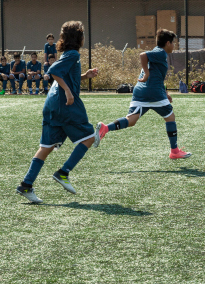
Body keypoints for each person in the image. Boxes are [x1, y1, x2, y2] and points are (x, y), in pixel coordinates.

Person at [15, 21, 100, 204]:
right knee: (90, 137)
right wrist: (69, 92)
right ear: (79, 37)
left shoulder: (69, 55)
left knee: (46, 148)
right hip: (65, 105)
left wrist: (85, 76)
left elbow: (64, 74)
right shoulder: (73, 54)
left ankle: (26, 184)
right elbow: (53, 71)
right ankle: (63, 172)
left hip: (52, 105)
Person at [94, 28, 191, 159]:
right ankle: (174, 151)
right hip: (153, 92)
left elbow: (158, 76)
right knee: (170, 117)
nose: (174, 46)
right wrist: (146, 73)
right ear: (167, 43)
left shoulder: (159, 54)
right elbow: (143, 55)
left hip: (141, 91)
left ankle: (105, 128)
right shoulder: (161, 53)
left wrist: (165, 93)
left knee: (131, 120)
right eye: (173, 43)